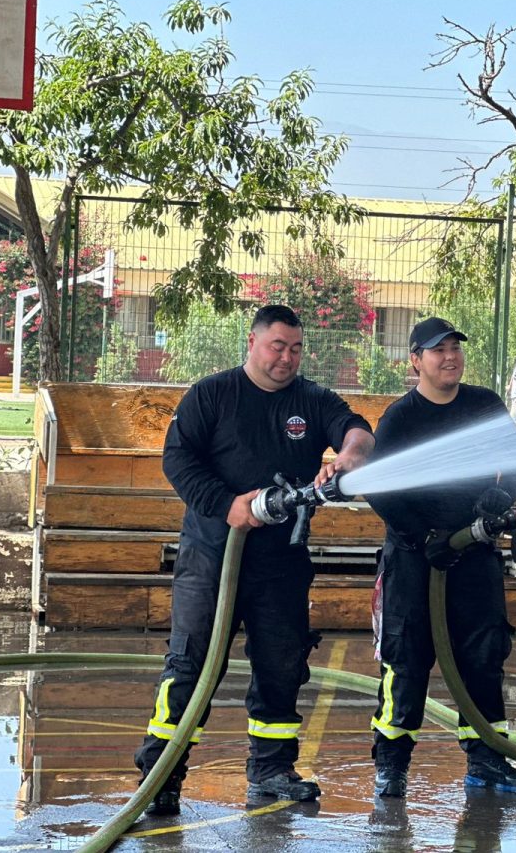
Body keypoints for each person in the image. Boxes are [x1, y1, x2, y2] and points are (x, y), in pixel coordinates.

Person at [133, 305, 375, 816]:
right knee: (191, 665)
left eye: (296, 349)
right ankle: (162, 774)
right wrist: (228, 505)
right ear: (252, 342)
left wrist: (352, 453)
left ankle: (272, 769)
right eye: (277, 346)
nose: (287, 357)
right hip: (212, 558)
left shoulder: (312, 400)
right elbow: (177, 459)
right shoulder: (213, 394)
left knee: (282, 665)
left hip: (281, 564)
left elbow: (355, 428)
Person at [365, 316, 516, 799]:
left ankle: (487, 759)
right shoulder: (401, 418)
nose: (450, 357)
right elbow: (379, 487)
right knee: (406, 659)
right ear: (415, 361)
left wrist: (500, 496)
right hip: (414, 558)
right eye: (438, 350)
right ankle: (392, 764)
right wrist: (422, 536)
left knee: (483, 656)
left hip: (474, 551)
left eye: (455, 348)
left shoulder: (484, 405)